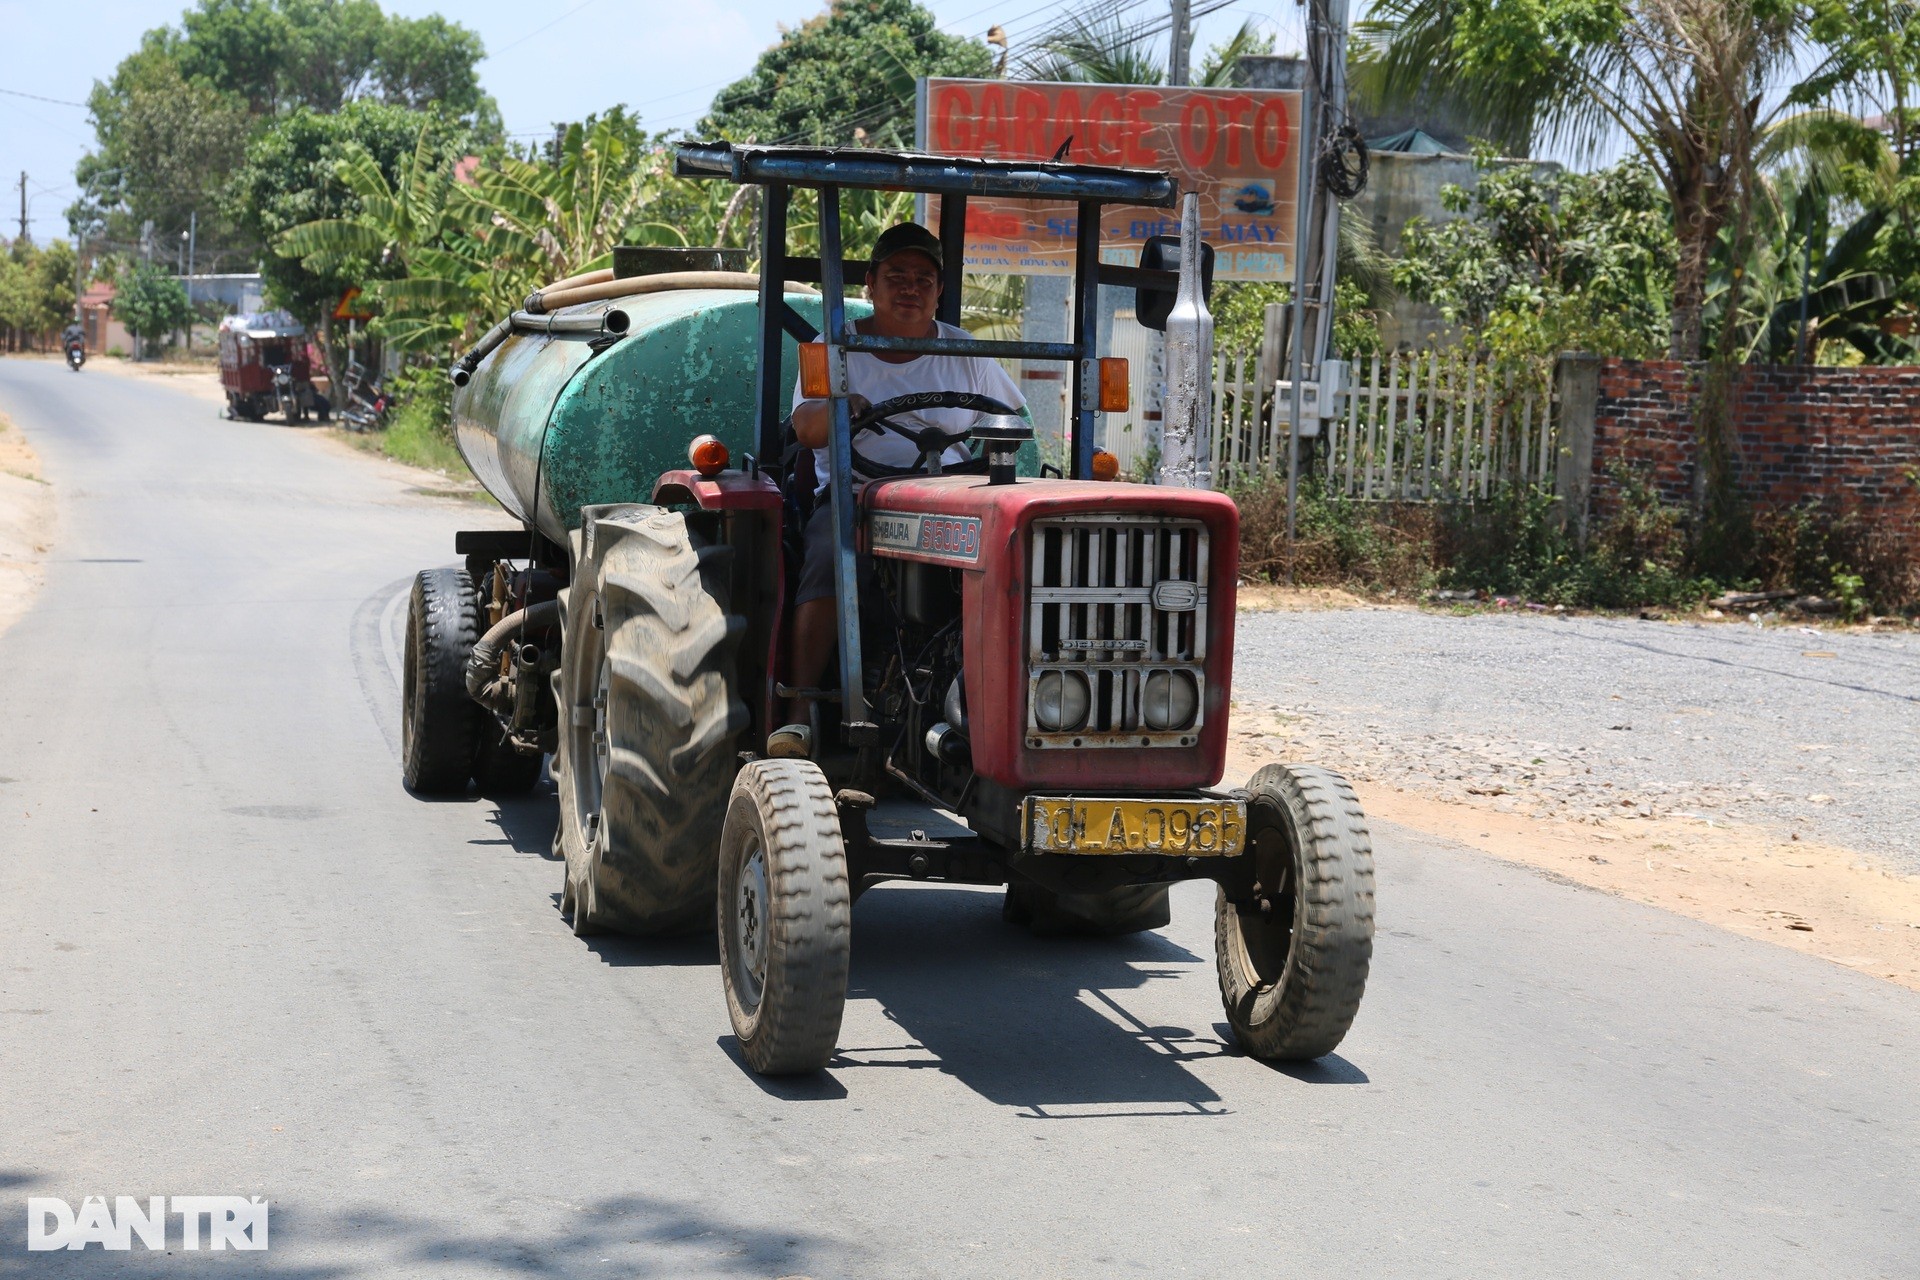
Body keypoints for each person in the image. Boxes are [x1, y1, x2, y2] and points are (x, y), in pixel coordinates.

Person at [769, 222, 1024, 759]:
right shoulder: (832, 344)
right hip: (857, 497)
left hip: (952, 503)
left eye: (924, 279)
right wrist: (843, 405)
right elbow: (806, 427)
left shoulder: (963, 349)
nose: (911, 288)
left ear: (939, 290)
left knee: (1016, 566)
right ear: (870, 283)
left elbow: (1010, 416)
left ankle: (1011, 707)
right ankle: (798, 710)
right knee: (827, 556)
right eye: (897, 276)